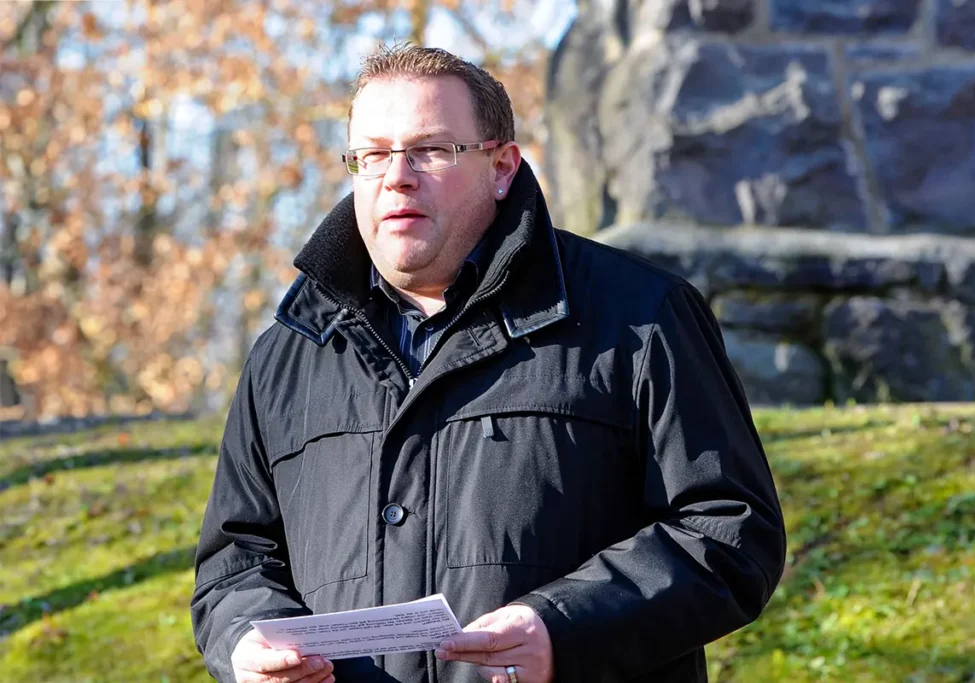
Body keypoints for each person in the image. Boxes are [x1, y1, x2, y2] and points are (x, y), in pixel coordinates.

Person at [191, 43, 787, 683]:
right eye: (373, 155)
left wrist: (563, 629)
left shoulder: (641, 316)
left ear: (502, 167)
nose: (397, 176)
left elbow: (729, 530)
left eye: (432, 149)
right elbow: (235, 562)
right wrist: (246, 648)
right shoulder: (290, 352)